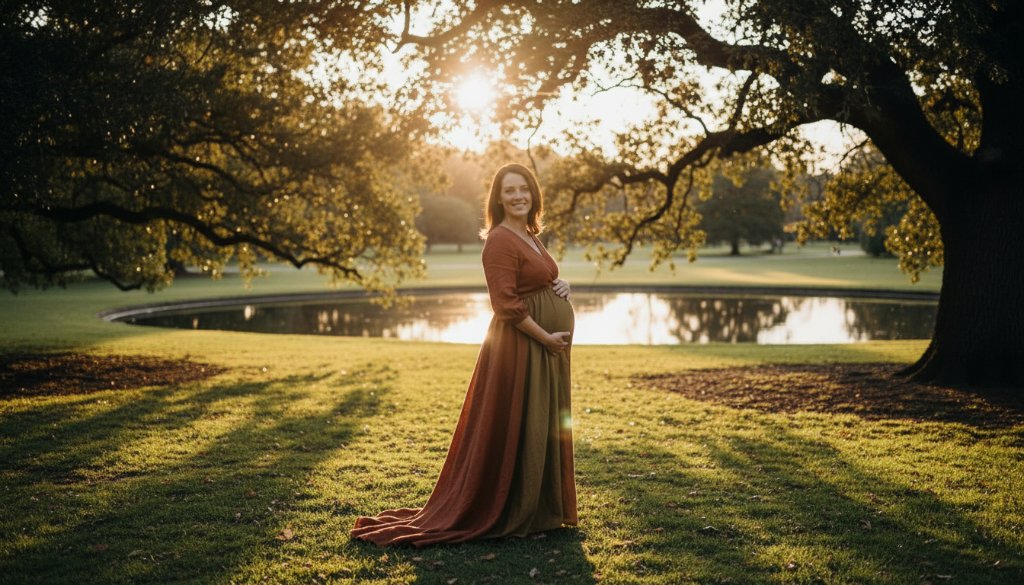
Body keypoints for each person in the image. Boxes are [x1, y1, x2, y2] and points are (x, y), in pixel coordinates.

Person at [350, 163, 577, 547]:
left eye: (525, 188)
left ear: (534, 195)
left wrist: (561, 282)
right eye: (510, 190)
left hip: (545, 348)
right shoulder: (500, 240)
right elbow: (506, 306)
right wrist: (546, 339)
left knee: (539, 420)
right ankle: (513, 506)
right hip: (522, 348)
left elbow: (536, 279)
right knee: (521, 422)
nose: (519, 195)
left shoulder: (529, 234)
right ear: (498, 198)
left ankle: (538, 507)